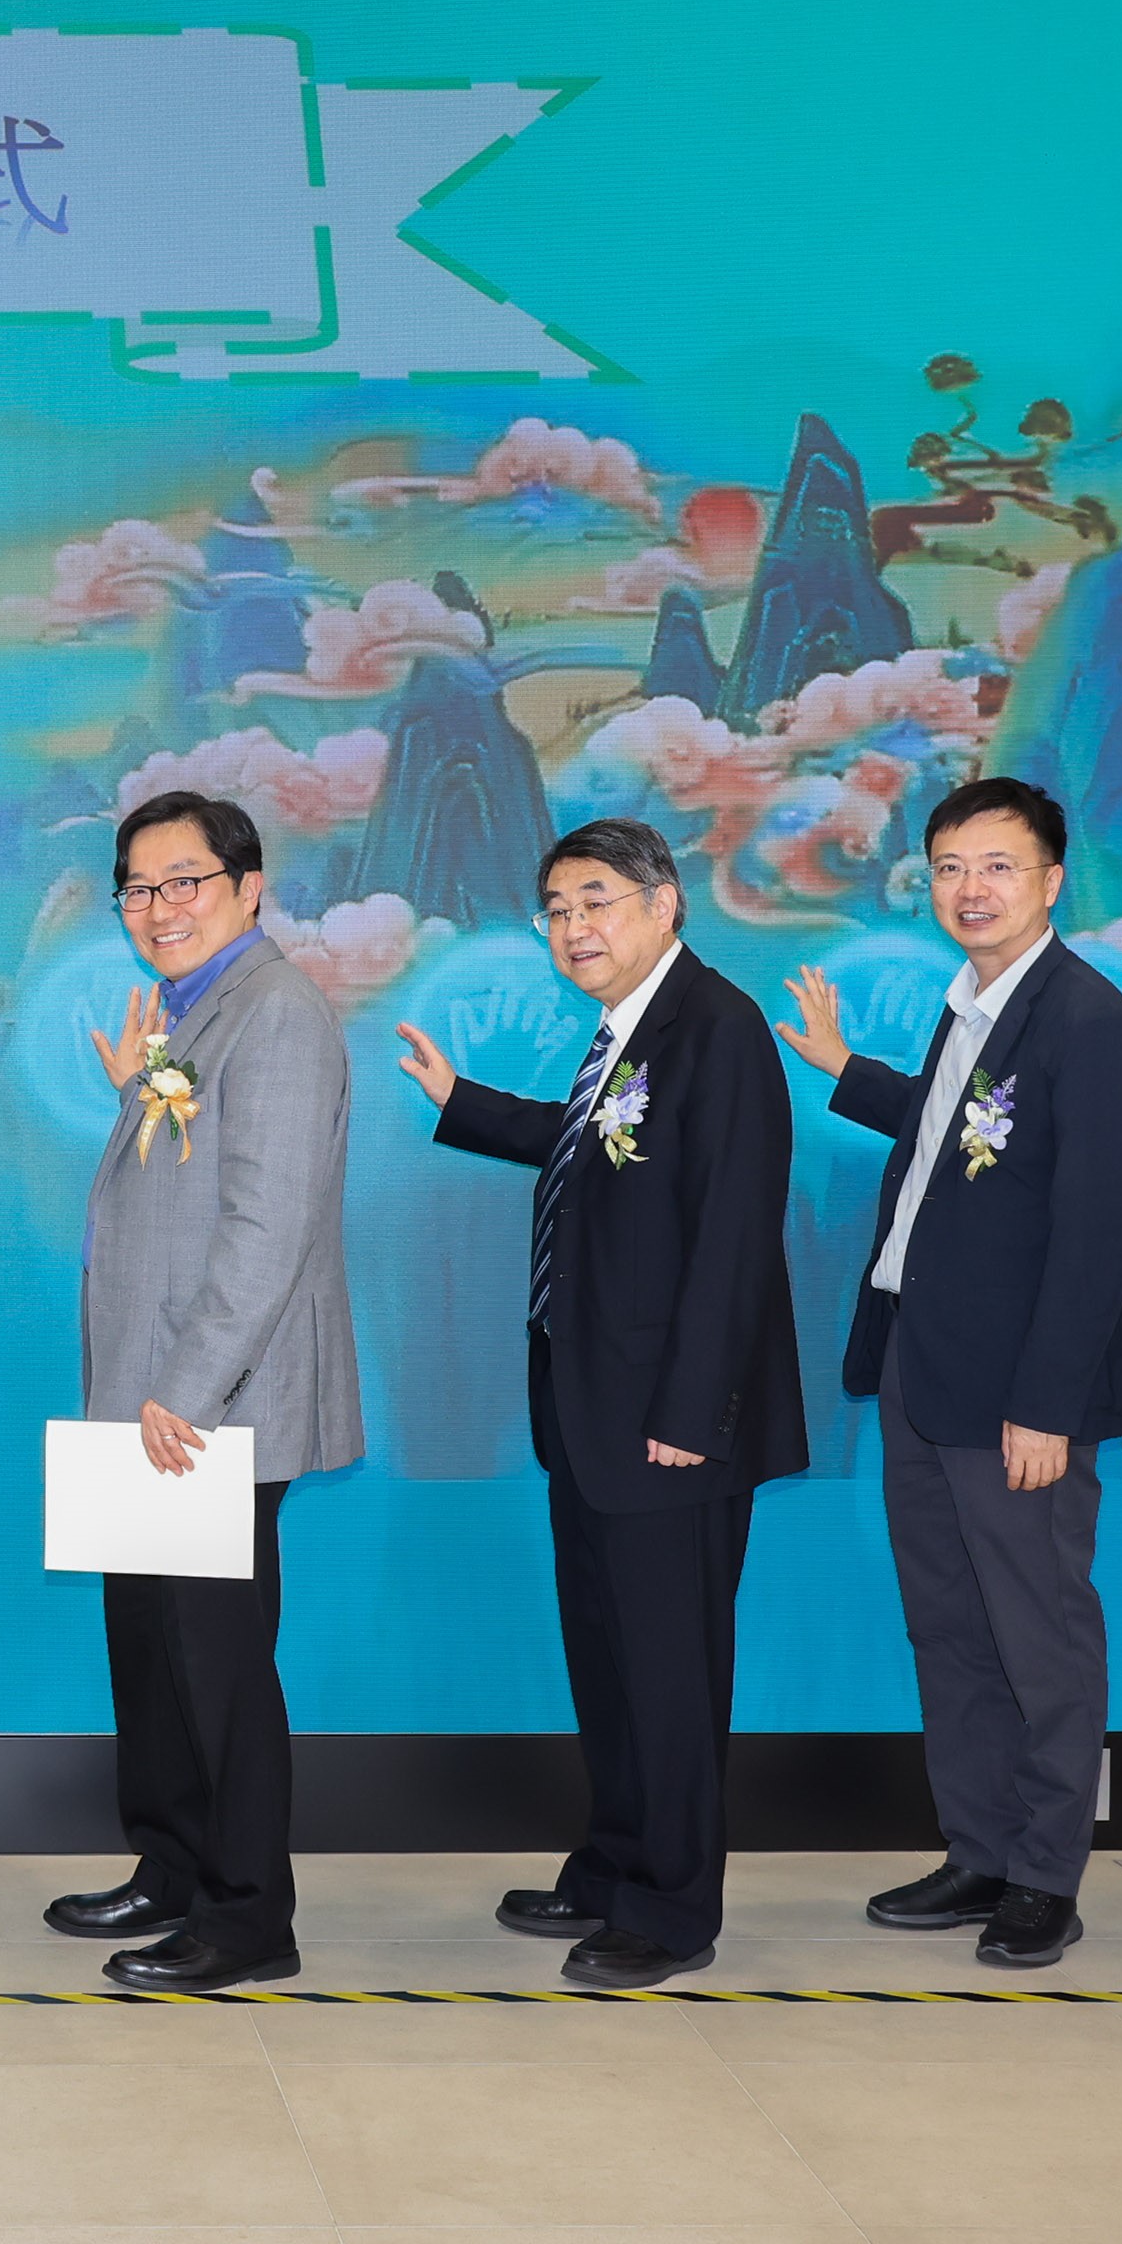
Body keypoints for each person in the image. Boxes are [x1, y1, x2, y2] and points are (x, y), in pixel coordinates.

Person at [395, 815, 804, 1988]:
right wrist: (465, 1100)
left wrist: (688, 1416)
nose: (573, 927)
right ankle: (615, 1865)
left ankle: (671, 1910)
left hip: (668, 1425)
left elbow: (732, 1236)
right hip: (591, 1410)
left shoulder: (715, 1028)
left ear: (663, 905)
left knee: (669, 1670)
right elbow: (597, 1150)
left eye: (595, 902)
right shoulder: (629, 1031)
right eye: (556, 909)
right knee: (612, 1656)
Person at [775, 775, 1122, 1968]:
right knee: (949, 1626)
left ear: (1052, 881)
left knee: (1039, 1635)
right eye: (949, 867)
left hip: (1015, 1399)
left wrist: (1045, 1407)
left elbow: (1094, 1235)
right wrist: (847, 1068)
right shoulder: (975, 1005)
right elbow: (964, 1139)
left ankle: (1044, 1874)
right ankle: (979, 1849)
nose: (970, 888)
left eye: (997, 865)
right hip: (923, 1366)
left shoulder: (1089, 1021)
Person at [43, 789, 360, 1993]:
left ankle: (246, 1916)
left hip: (205, 1408)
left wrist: (184, 1390)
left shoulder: (274, 1013)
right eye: (138, 887)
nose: (158, 906)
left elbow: (266, 1229)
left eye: (184, 881)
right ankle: (171, 1867)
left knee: (216, 1669)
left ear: (248, 887)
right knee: (154, 1656)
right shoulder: (193, 1012)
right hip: (152, 1401)